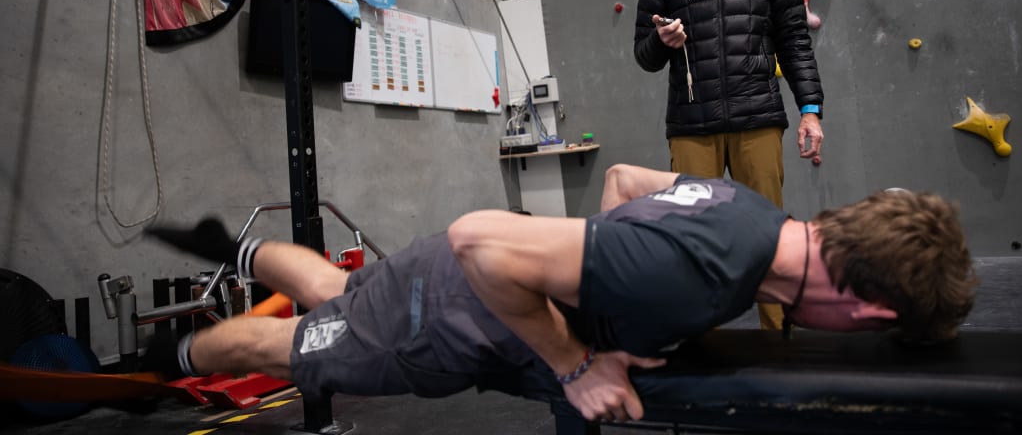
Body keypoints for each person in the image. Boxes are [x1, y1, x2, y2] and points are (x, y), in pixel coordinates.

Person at [147, 163, 975, 424]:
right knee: (291, 349)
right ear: (870, 311)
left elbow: (622, 182)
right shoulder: (707, 271)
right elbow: (482, 242)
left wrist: (599, 298)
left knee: (332, 294)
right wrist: (577, 363)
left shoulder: (753, 214)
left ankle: (239, 248)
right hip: (439, 313)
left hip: (450, 293)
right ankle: (165, 358)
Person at [634, 0, 825, 331]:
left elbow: (796, 45)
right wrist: (662, 40)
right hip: (691, 128)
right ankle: (703, 341)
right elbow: (644, 56)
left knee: (767, 237)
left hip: (757, 119)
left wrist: (811, 113)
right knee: (693, 241)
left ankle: (777, 336)